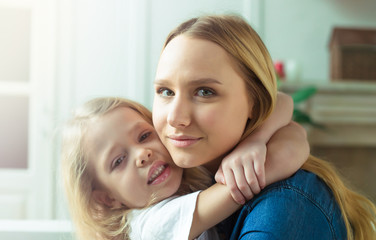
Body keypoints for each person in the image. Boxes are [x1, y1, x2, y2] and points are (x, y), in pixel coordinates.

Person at [152, 14, 376, 239]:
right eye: (165, 91)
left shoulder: (283, 208)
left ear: (255, 103)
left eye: (205, 92)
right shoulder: (161, 183)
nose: (175, 117)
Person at [61, 96, 307, 240]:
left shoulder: (194, 183)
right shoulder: (150, 227)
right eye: (118, 161)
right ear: (108, 198)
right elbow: (282, 157)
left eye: (144, 136)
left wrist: (254, 140)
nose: (142, 154)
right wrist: (264, 141)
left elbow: (281, 102)